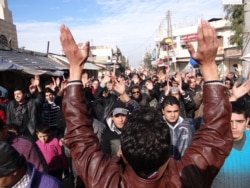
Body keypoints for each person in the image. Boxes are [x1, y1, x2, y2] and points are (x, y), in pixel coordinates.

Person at [61, 20, 233, 187]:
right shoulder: (186, 179)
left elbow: (79, 136)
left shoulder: (104, 181)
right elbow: (215, 135)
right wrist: (210, 66)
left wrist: (75, 69)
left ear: (123, 154)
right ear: (167, 153)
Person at [212, 103, 250, 187]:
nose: (234, 126)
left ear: (247, 121)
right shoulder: (212, 144)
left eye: (239, 121)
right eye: (230, 122)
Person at [161, 95, 196, 160]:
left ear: (179, 110)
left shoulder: (188, 127)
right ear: (163, 111)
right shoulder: (158, 127)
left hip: (184, 166)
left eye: (175, 111)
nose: (173, 115)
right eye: (169, 111)